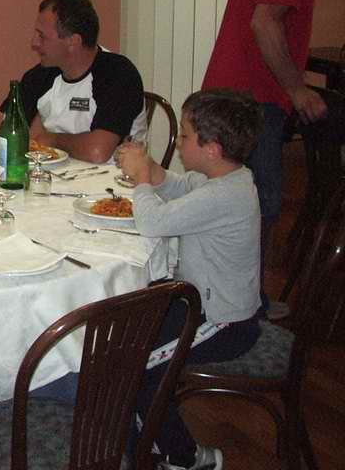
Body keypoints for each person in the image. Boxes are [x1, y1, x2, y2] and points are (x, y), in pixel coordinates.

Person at [201, 0, 345, 318]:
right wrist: (297, 89)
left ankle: (232, 299)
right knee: (258, 204)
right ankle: (247, 307)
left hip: (237, 96)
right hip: (252, 100)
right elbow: (265, 23)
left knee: (237, 203)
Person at [116, 89, 263, 470]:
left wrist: (141, 180)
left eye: (184, 135)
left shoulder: (227, 196)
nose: (179, 143)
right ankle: (140, 440)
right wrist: (152, 169)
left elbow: (152, 222)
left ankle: (187, 458)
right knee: (126, 340)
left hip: (223, 321)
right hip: (195, 305)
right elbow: (181, 187)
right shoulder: (227, 180)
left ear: (211, 149)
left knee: (132, 367)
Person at [0, 0, 147, 162]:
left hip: (115, 182)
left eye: (42, 36)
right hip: (60, 178)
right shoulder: (43, 74)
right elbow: (1, 118)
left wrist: (50, 139)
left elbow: (98, 151)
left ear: (73, 41)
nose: (34, 43)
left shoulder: (118, 74)